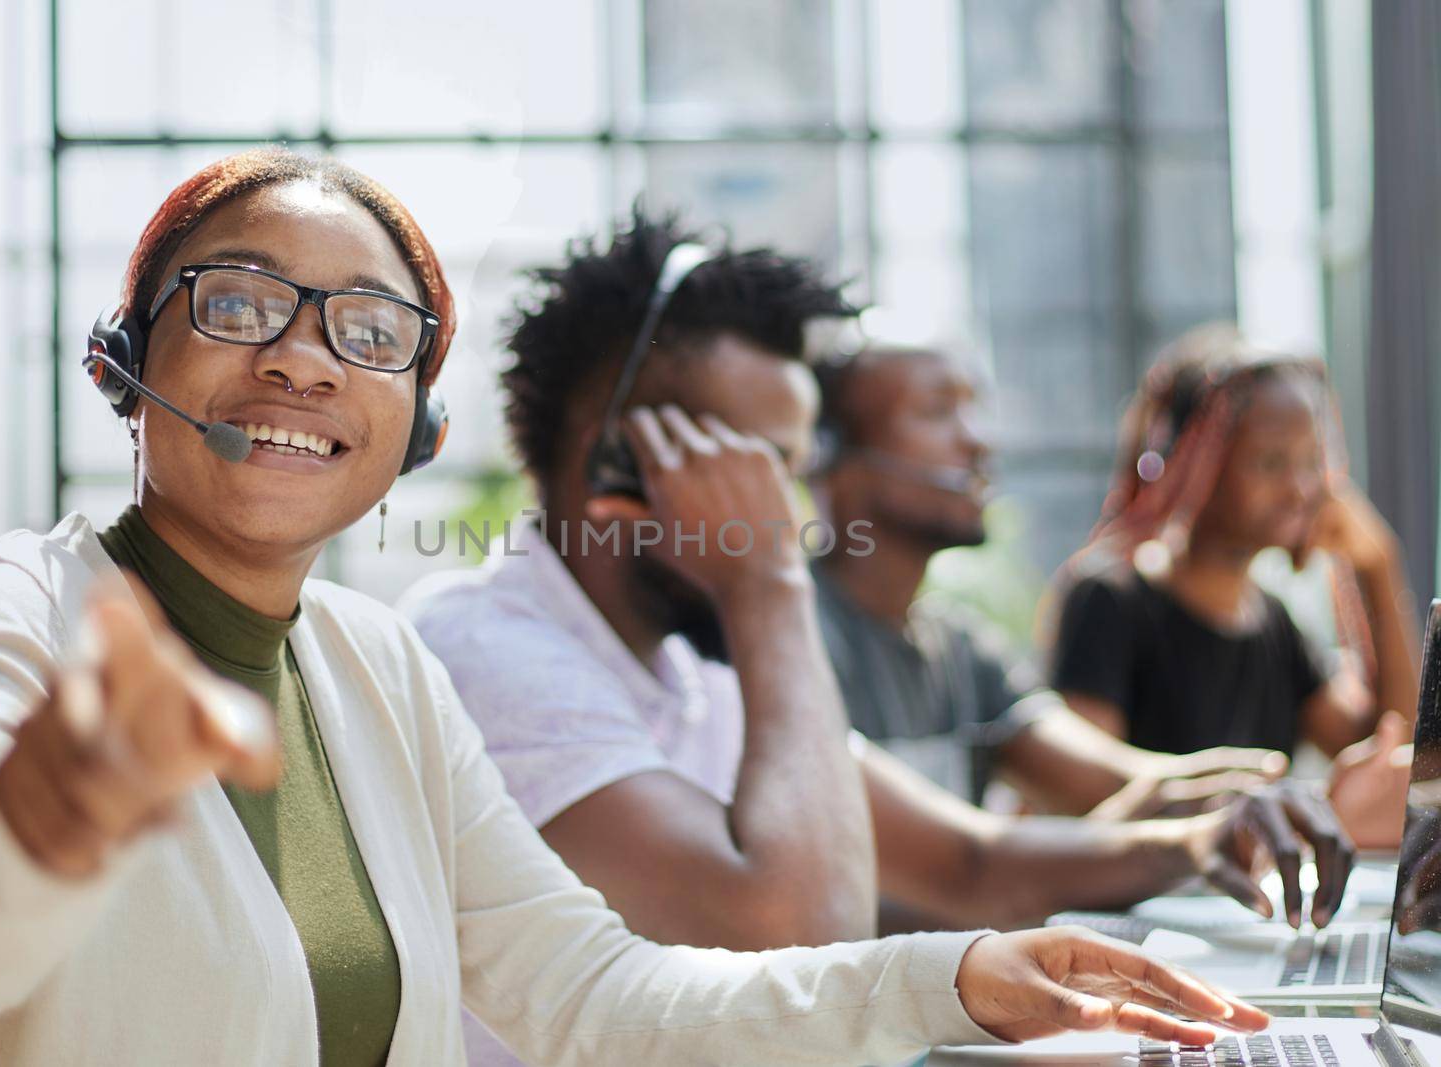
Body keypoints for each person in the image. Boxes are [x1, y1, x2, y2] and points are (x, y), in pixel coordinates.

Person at [0, 150, 1273, 1067]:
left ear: (413, 421)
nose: (298, 358)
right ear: (122, 357)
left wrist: (952, 977)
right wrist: (56, 801)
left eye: (369, 331)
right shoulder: (15, 607)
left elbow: (600, 996)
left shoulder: (375, 665)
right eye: (234, 304)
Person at [402, 214, 1336, 1067]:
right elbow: (789, 929)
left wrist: (1199, 838)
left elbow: (970, 864)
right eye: (766, 469)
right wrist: (768, 584)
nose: (796, 511)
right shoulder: (490, 651)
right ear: (621, 461)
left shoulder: (688, 665)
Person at [810, 339, 1288, 817]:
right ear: (827, 457)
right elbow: (966, 862)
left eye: (972, 409)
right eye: (937, 412)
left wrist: (1260, 794)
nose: (979, 441)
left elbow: (1114, 780)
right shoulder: (795, 641)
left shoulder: (959, 650)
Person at [1046, 325, 1419, 774]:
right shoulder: (1110, 601)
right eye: (1271, 463)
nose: (1301, 489)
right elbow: (1086, 787)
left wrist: (1379, 566)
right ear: (1194, 464)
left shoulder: (1272, 623)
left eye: (1310, 462)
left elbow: (1391, 756)